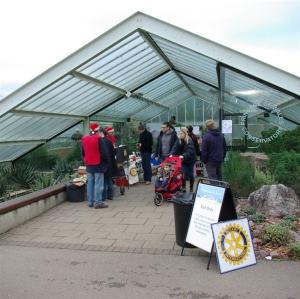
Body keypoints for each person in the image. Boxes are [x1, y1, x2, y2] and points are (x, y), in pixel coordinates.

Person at [81, 122, 109, 209]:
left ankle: (90, 202)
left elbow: (83, 153)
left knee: (90, 184)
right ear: (98, 130)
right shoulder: (99, 139)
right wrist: (106, 161)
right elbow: (104, 153)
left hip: (89, 165)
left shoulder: (84, 139)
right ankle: (98, 202)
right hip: (98, 164)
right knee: (98, 184)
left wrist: (86, 160)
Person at [171, 128, 196, 192]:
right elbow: (175, 147)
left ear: (185, 134)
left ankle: (191, 188)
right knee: (182, 174)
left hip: (190, 160)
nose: (180, 135)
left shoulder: (189, 140)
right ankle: (183, 187)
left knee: (190, 175)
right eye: (179, 133)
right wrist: (171, 154)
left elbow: (190, 151)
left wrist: (183, 156)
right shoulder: (179, 140)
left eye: (181, 133)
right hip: (182, 160)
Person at [101, 129, 118, 200]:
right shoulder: (108, 141)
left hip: (103, 163)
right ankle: (110, 196)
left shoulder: (99, 142)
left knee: (104, 181)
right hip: (110, 163)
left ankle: (103, 197)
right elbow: (114, 152)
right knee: (109, 180)